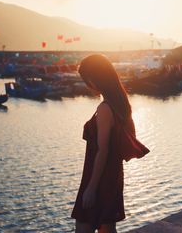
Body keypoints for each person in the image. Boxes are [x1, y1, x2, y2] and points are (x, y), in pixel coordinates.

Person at [72, 54, 149, 233]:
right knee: (107, 227)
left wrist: (91, 188)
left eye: (86, 80)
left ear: (93, 79)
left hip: (98, 176)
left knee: (84, 226)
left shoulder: (105, 109)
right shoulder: (121, 105)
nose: (86, 85)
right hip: (113, 175)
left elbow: (102, 150)